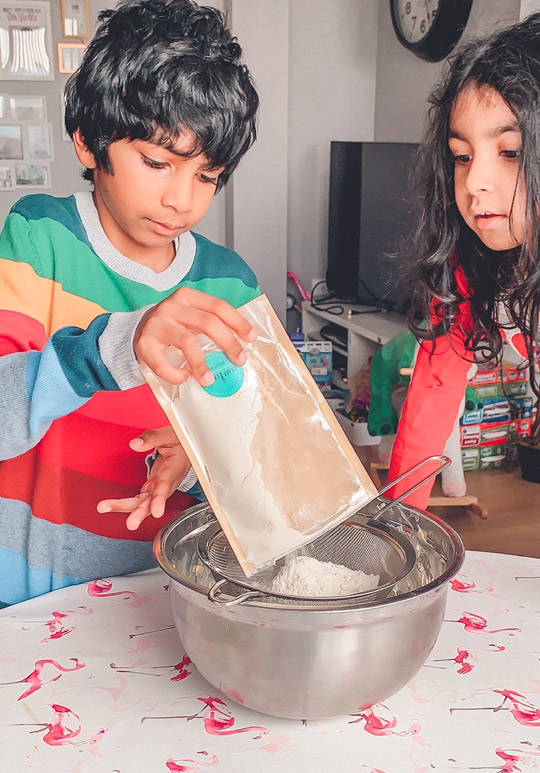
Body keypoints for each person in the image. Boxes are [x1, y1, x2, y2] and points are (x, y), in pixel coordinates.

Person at [0, 0, 260, 606]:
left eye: (207, 175)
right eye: (157, 162)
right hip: (31, 596)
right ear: (89, 144)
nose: (182, 200)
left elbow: (256, 465)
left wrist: (198, 459)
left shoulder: (232, 286)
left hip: (172, 594)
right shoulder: (41, 239)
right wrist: (114, 346)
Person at [386, 13, 540, 509]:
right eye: (463, 155)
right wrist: (397, 526)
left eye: (511, 152)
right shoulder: (469, 265)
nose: (475, 183)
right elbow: (433, 393)